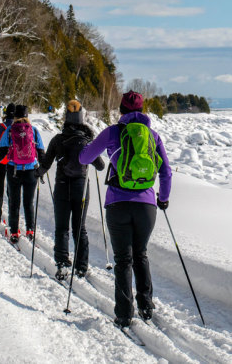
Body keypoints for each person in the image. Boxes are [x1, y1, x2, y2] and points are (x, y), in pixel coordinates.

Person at [78, 90, 172, 327]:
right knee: (140, 254)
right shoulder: (153, 136)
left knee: (123, 259)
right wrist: (164, 198)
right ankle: (146, 306)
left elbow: (84, 158)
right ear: (143, 111)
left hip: (117, 202)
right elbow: (166, 172)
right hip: (147, 204)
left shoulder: (113, 132)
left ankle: (123, 314)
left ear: (120, 110)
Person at [37, 100, 105, 281]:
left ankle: (61, 264)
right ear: (82, 119)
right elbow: (100, 166)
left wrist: (37, 174)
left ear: (66, 119)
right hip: (81, 188)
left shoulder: (58, 139)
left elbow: (45, 164)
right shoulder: (87, 141)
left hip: (61, 186)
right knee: (79, 228)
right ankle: (81, 266)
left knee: (61, 228)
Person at [0, 105, 45, 243]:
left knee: (14, 202)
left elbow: (1, 154)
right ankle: (30, 230)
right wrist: (41, 170)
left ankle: (14, 232)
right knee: (28, 202)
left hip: (14, 170)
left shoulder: (10, 131)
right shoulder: (34, 130)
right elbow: (41, 152)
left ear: (15, 117)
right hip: (31, 171)